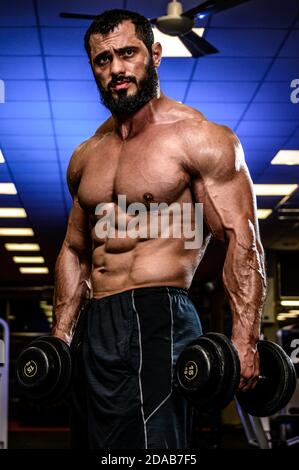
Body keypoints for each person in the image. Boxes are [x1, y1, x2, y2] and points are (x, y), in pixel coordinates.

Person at [51, 9, 267, 449]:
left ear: (154, 54)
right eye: (102, 60)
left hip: (160, 314)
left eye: (127, 54)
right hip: (98, 323)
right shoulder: (87, 155)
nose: (116, 69)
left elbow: (242, 240)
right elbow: (74, 249)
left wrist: (246, 338)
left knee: (155, 448)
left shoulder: (200, 138)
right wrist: (61, 335)